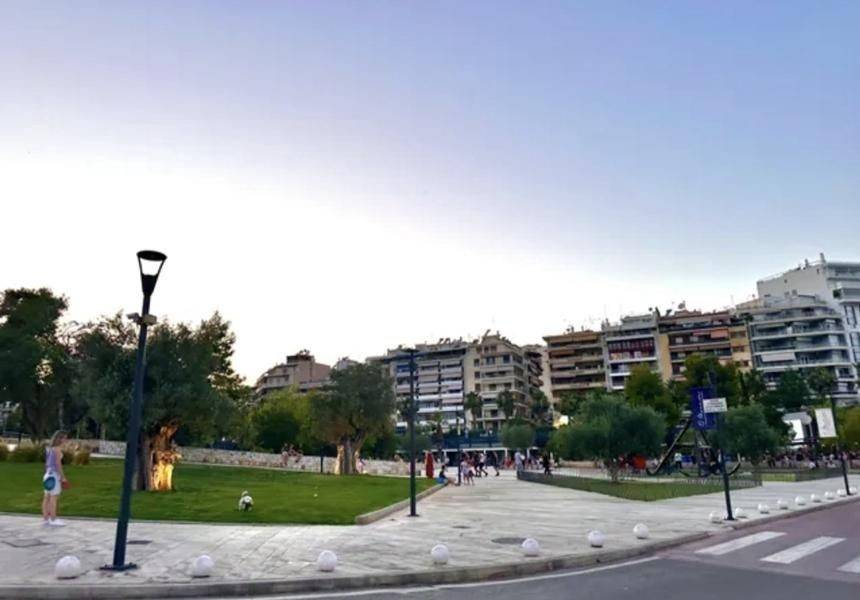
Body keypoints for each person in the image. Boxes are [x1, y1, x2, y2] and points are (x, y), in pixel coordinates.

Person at [42, 430, 68, 527]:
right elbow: (58, 464)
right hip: (53, 475)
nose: (66, 440)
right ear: (60, 439)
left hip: (47, 475)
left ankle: (46, 519)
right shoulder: (57, 449)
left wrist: (46, 474)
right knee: (53, 497)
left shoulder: (49, 448)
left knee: (46, 497)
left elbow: (46, 463)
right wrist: (63, 477)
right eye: (65, 438)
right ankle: (53, 519)